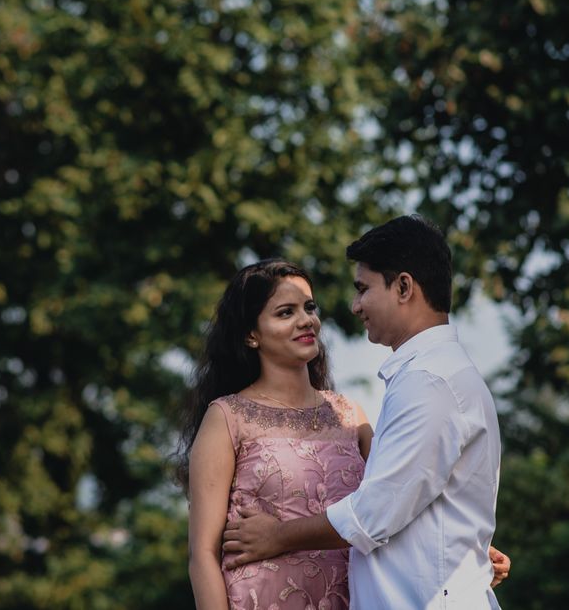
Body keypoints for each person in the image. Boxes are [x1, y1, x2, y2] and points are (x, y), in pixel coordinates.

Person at [177, 254, 509, 609]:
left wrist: (464, 550)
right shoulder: (227, 418)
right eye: (285, 312)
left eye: (309, 307)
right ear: (251, 335)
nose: (306, 321)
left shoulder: (350, 416)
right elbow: (203, 555)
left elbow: (395, 501)